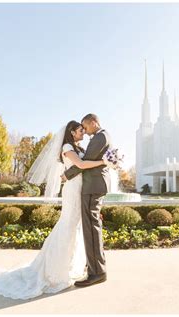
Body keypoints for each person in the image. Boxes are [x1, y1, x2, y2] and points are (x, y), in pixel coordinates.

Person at [0, 120, 106, 300]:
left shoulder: (78, 148)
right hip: (73, 191)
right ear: (72, 132)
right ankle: (54, 272)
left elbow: (78, 167)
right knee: (67, 226)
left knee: (75, 227)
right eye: (80, 130)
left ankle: (73, 264)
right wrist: (103, 162)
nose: (83, 132)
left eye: (84, 129)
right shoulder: (67, 146)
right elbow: (81, 166)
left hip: (80, 189)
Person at [62, 113, 112, 287]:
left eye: (86, 126)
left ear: (94, 122)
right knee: (92, 227)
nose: (85, 130)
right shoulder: (100, 136)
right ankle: (96, 268)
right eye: (81, 128)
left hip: (92, 186)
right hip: (93, 185)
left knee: (91, 228)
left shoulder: (100, 136)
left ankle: (97, 272)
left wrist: (66, 175)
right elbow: (86, 160)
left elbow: (86, 162)